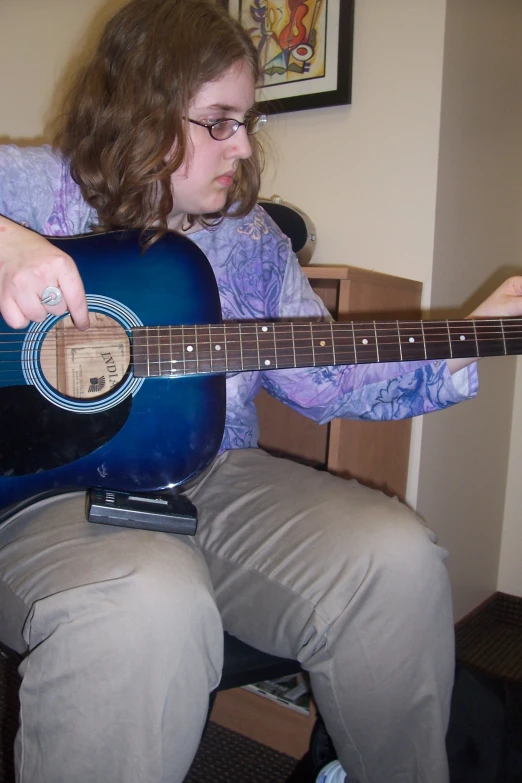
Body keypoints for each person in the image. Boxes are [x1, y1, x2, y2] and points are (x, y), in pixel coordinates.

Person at [1, 2, 521, 782]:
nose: (243, 146)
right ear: (142, 106)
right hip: (37, 498)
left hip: (218, 474)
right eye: (218, 121)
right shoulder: (33, 186)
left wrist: (474, 333)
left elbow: (327, 377)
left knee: (396, 557)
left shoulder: (250, 243)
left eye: (248, 120)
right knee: (147, 605)